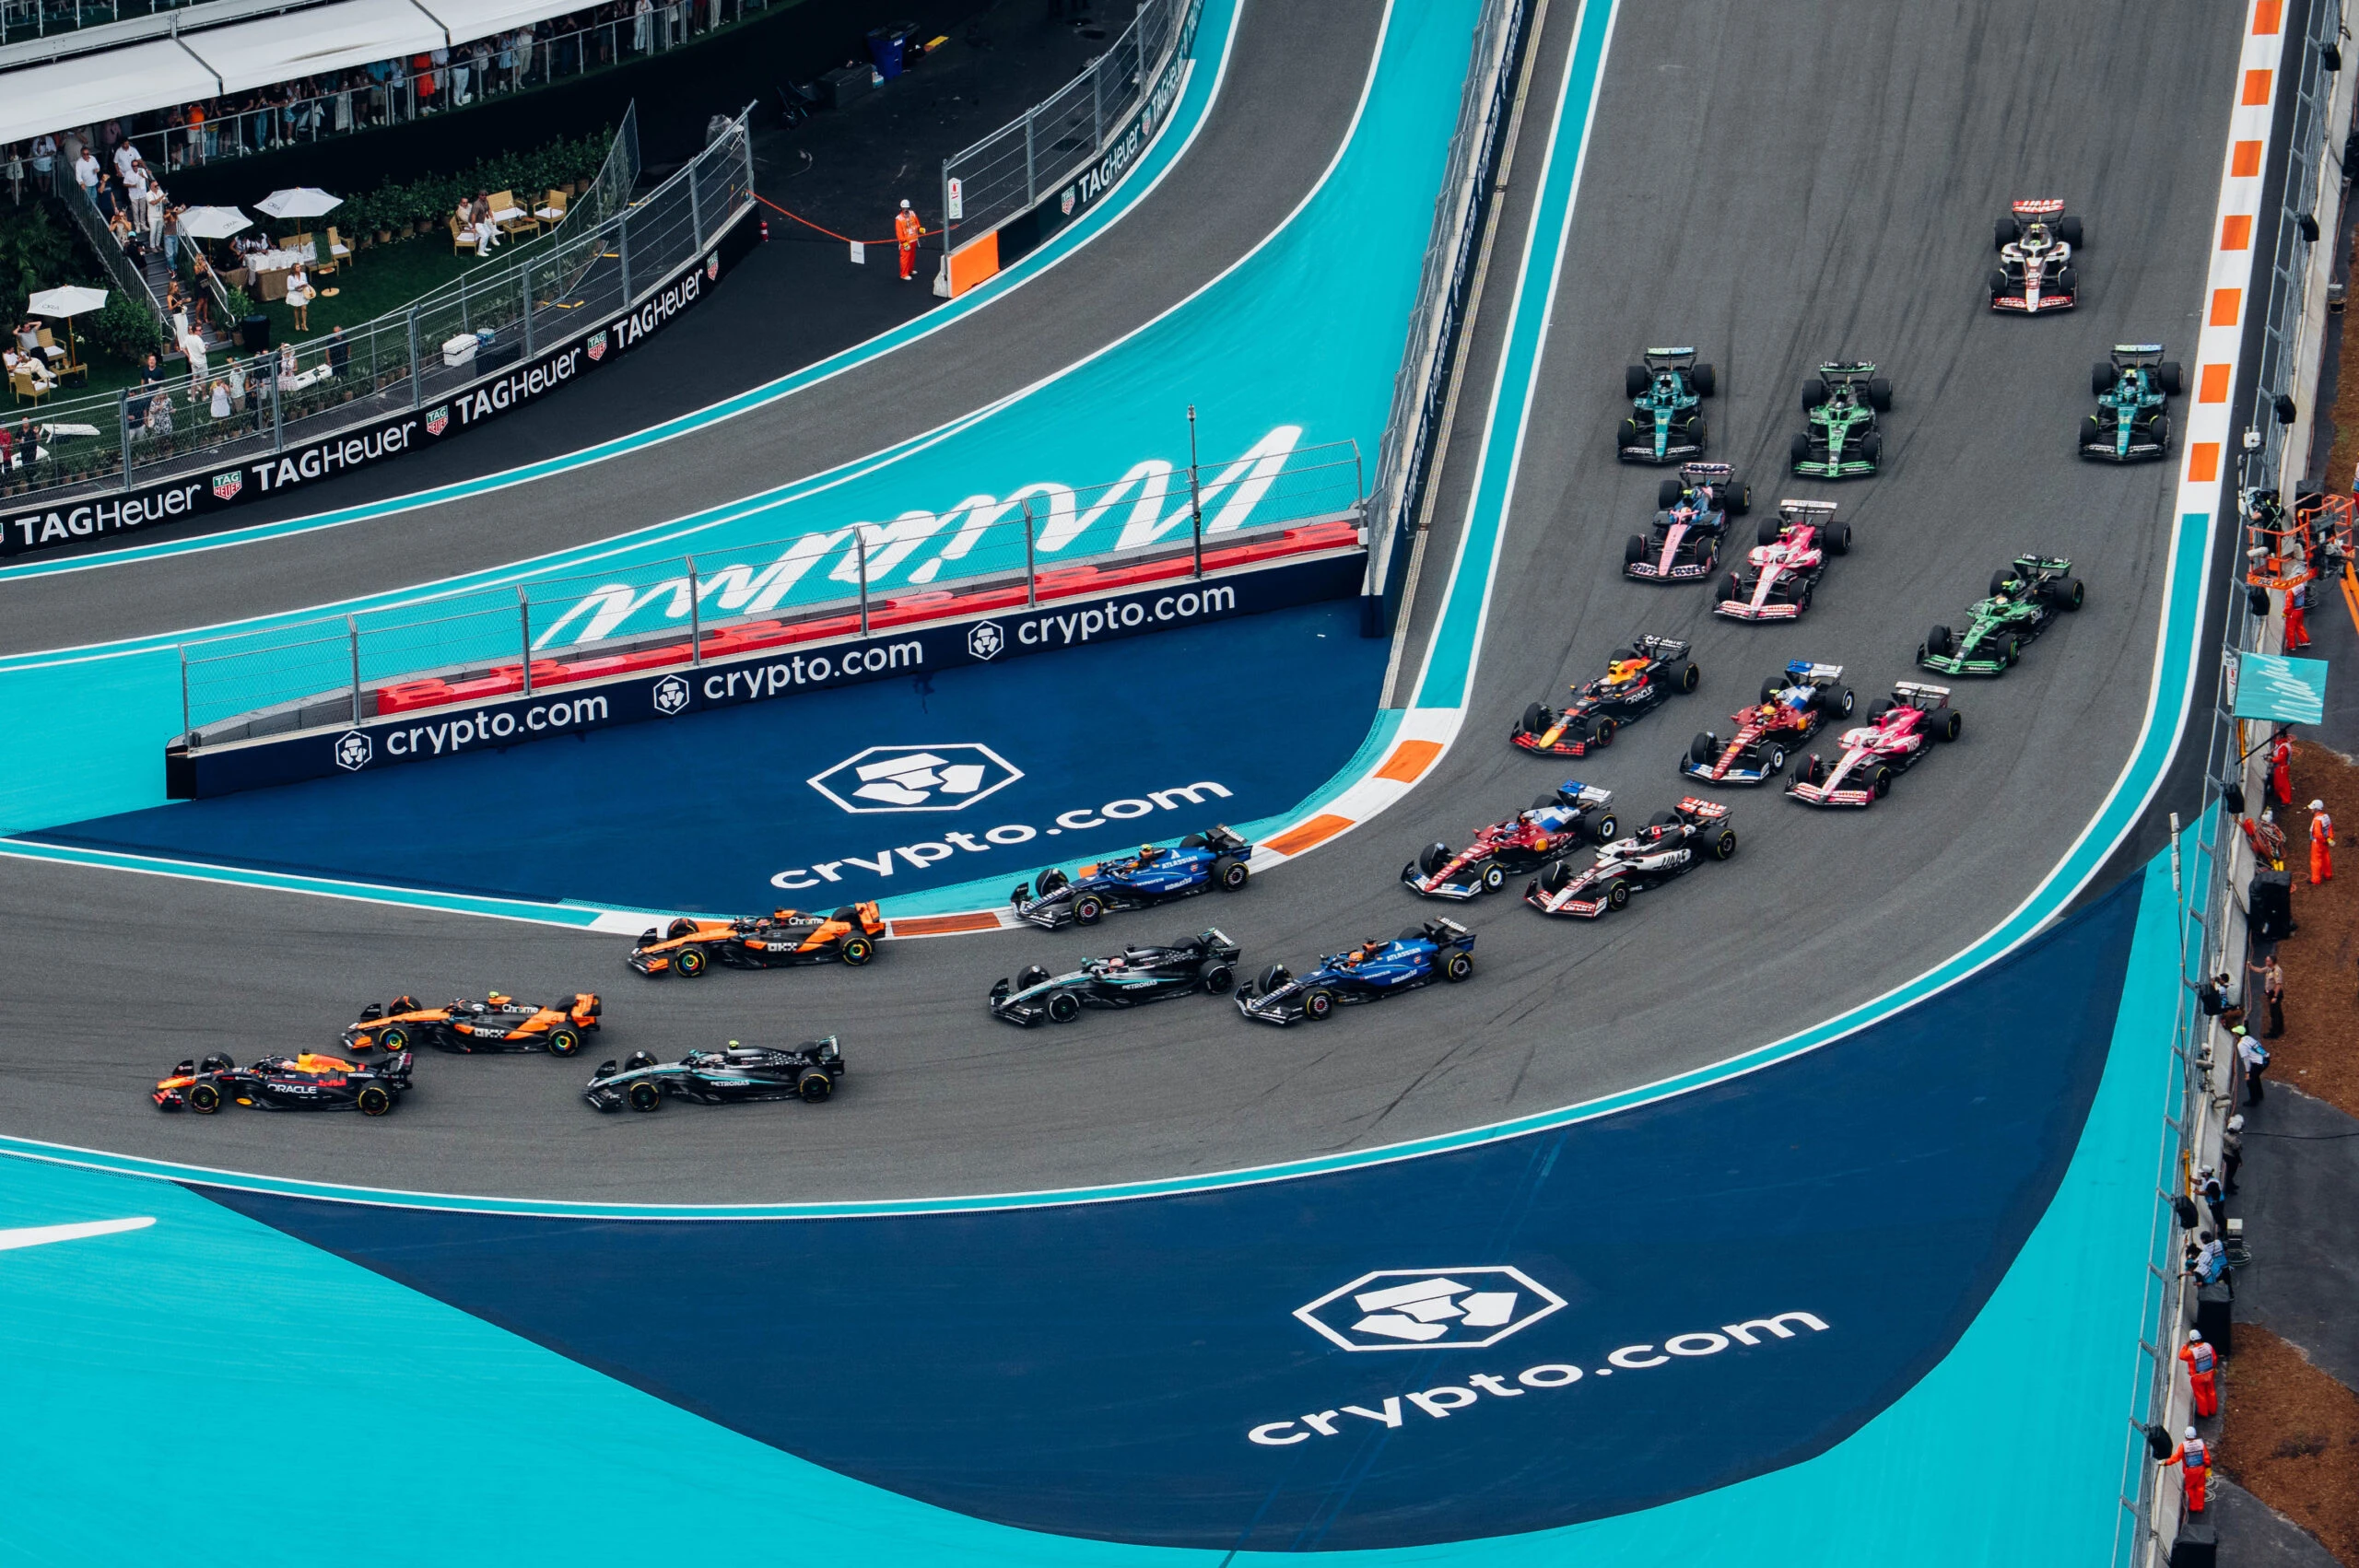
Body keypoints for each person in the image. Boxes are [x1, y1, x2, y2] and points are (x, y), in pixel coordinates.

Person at [2161, 1427, 2212, 1514]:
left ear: (2186, 1436)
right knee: (2200, 1488)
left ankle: (2193, 1506)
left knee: (2190, 1488)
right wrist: (2208, 1468)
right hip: (2201, 1469)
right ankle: (2200, 1507)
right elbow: (2206, 1458)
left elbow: (2176, 1458)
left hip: (2191, 1470)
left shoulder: (2183, 1446)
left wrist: (2166, 1463)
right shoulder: (2201, 1444)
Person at [2179, 1330, 2219, 1418]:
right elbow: (2215, 1358)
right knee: (2211, 1392)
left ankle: (2203, 1413)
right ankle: (2213, 1410)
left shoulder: (2191, 1352)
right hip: (2209, 1374)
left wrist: (2186, 1345)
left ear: (2192, 1340)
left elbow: (2181, 1356)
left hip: (2197, 1377)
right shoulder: (2208, 1346)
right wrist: (2213, 1368)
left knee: (2201, 1395)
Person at [2248, 951, 2285, 1036]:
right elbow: (2260, 970)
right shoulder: (2269, 968)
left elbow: (2278, 984)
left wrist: (2275, 996)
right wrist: (2251, 967)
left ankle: (2275, 1032)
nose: (2266, 962)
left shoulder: (2277, 970)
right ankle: (2280, 1028)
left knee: (2274, 1013)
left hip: (2275, 994)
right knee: (2277, 1011)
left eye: (2268, 961)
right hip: (2271, 994)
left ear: (2272, 962)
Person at [2235, 1024, 2270, 1106]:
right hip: (2265, 1059)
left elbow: (2246, 1059)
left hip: (2259, 1063)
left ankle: (2254, 1101)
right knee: (2255, 1077)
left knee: (2250, 1081)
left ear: (2238, 1034)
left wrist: (2247, 1073)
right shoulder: (2249, 1038)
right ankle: (2260, 1094)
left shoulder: (2241, 1045)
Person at [2309, 797, 2335, 884]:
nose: (2311, 810)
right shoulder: (2325, 817)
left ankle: (2316, 879)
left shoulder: (2317, 820)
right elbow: (2330, 828)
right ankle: (2328, 875)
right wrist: (2329, 839)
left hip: (2318, 843)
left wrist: (2321, 840)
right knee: (2325, 858)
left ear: (2316, 809)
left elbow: (2317, 834)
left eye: (2312, 808)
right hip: (2326, 842)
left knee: (2316, 861)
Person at [895, 198, 921, 283]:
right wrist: (904, 242)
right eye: (904, 208)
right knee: (905, 258)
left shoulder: (912, 214)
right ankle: (904, 274)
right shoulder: (899, 219)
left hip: (913, 239)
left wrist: (920, 229)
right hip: (906, 242)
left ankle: (910, 270)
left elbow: (917, 223)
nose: (906, 210)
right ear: (901, 209)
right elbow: (899, 232)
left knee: (912, 256)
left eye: (907, 208)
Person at [2271, 727, 2294, 808]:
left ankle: (2286, 800)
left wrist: (2271, 759)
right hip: (2280, 767)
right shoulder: (2281, 743)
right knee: (2278, 783)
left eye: (2277, 734)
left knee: (2282, 784)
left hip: (2282, 768)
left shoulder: (2284, 747)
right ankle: (2279, 796)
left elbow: (2280, 758)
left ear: (2280, 736)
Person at [285, 261, 311, 332]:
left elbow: (306, 282)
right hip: (295, 294)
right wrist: (296, 288)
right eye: (298, 267)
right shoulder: (290, 277)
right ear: (294, 269)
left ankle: (304, 324)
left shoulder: (303, 274)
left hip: (303, 293)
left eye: (299, 267)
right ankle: (297, 323)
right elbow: (288, 288)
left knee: (304, 309)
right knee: (296, 309)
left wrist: (304, 286)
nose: (299, 268)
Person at [2223, 1114, 2245, 1194]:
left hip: (2225, 1154)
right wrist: (2240, 1161)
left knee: (2229, 1172)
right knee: (2231, 1173)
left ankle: (2231, 1185)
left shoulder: (2225, 1135)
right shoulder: (2234, 1141)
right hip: (2231, 1157)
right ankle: (2229, 1189)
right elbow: (2236, 1152)